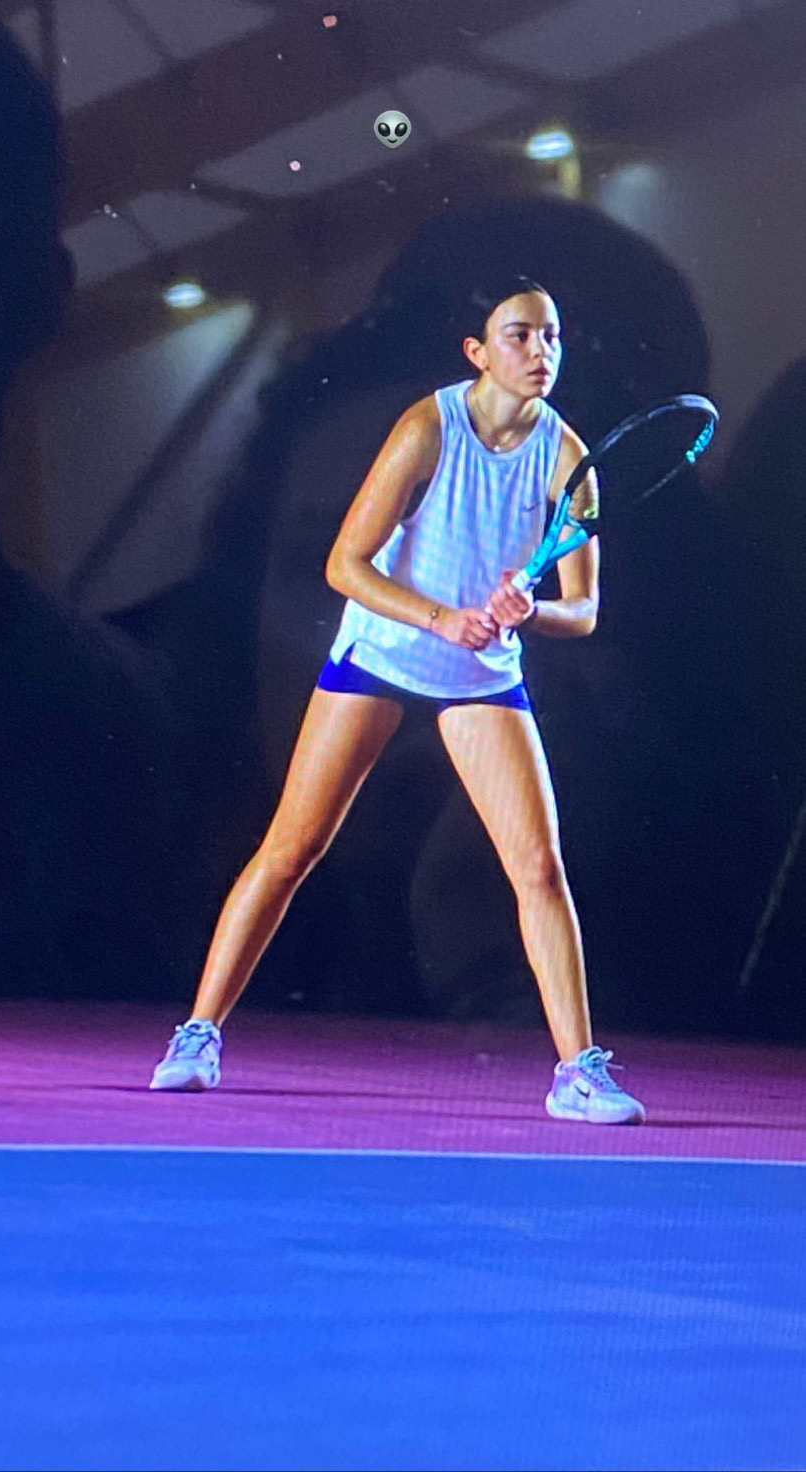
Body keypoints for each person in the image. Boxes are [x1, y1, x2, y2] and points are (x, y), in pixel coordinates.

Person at [151, 277, 645, 1124]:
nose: (540, 352)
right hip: (381, 654)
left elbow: (584, 610)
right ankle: (197, 1035)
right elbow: (344, 564)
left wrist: (530, 613)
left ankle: (578, 1072)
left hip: (481, 675)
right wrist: (442, 618)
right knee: (293, 848)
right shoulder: (426, 427)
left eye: (552, 337)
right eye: (520, 335)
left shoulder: (570, 461)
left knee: (537, 868)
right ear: (477, 352)